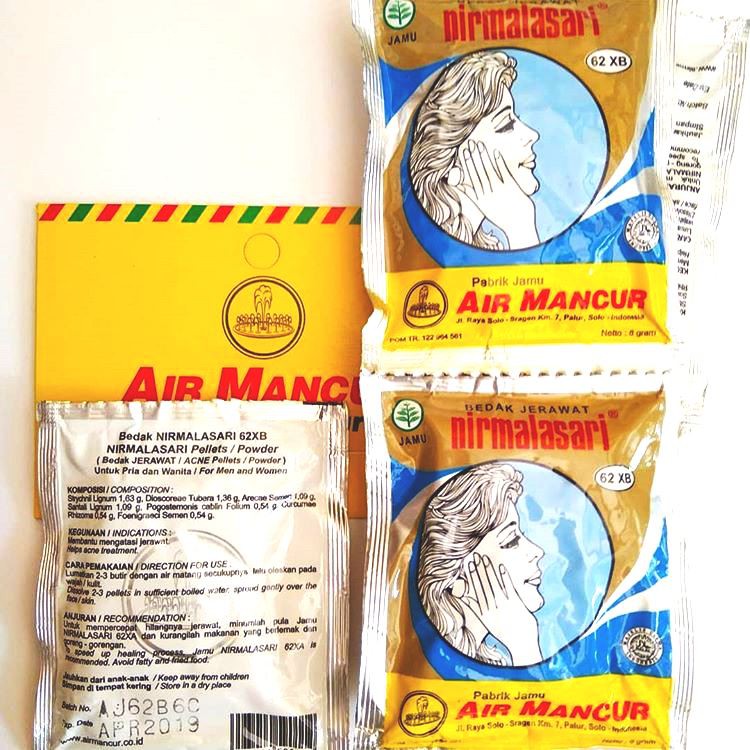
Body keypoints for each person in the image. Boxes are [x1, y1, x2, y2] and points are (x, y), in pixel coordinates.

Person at [409, 50, 540, 251]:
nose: (533, 134)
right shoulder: (427, 250)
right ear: (451, 165)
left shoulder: (492, 247)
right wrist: (521, 228)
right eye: (506, 125)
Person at [417, 462, 544, 666]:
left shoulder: (496, 661)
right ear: (457, 578)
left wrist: (525, 644)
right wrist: (524, 646)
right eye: (511, 540)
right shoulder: (434, 665)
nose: (537, 552)